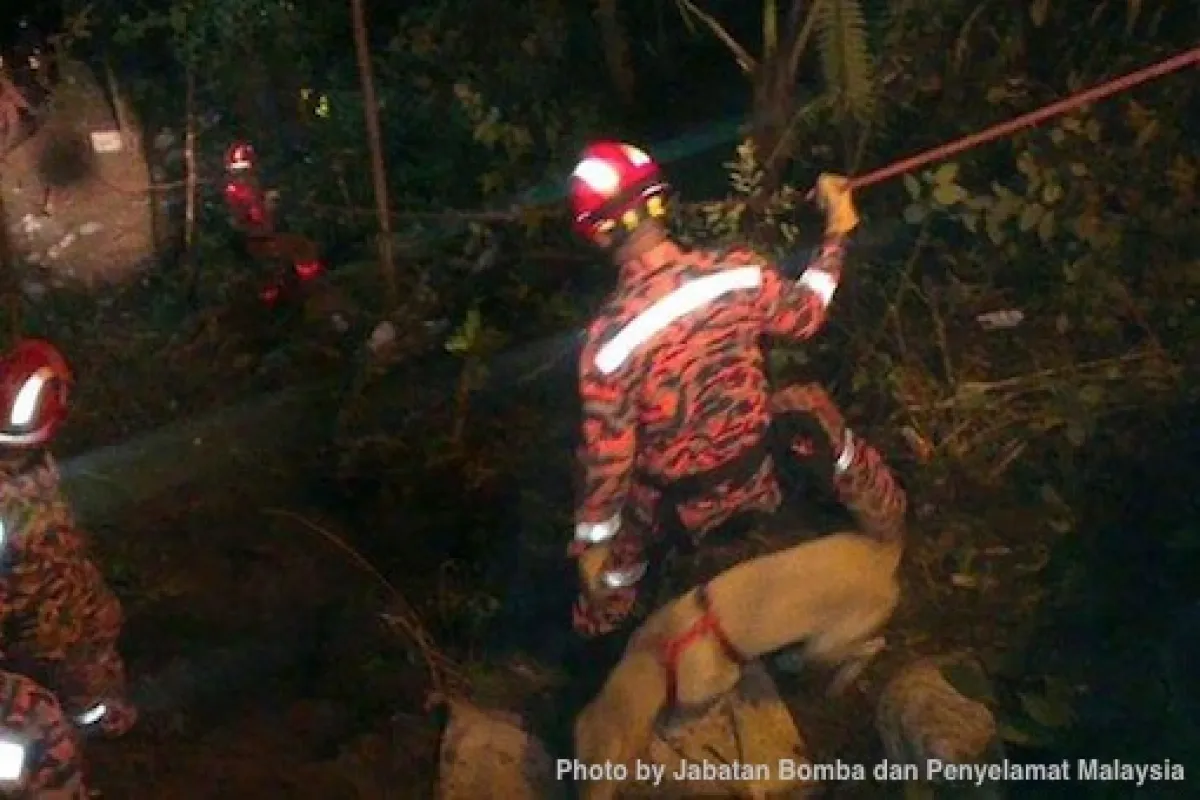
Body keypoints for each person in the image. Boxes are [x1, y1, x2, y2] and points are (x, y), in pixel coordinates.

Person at [566, 140, 907, 637]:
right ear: (661, 200)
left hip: (679, 509)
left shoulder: (606, 343)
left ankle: (606, 622)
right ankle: (889, 528)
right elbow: (808, 312)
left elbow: (610, 467)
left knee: (601, 499)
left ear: (597, 237)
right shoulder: (739, 273)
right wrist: (836, 231)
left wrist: (590, 544)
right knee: (806, 405)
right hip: (757, 473)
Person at [0, 339, 137, 797]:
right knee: (32, 734)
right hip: (39, 637)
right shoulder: (23, 508)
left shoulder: (30, 481)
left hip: (35, 621)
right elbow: (53, 611)